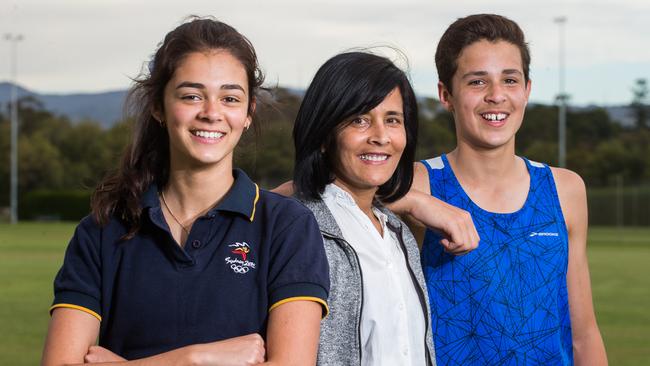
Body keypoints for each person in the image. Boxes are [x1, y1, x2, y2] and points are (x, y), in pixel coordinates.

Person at [41, 17, 329, 366]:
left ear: (249, 112)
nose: (211, 113)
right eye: (192, 96)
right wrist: (196, 357)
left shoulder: (286, 226)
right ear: (158, 107)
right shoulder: (101, 230)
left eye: (230, 98)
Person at [411, 14, 607, 365]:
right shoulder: (420, 184)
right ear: (446, 94)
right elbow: (319, 190)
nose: (496, 96)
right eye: (477, 82)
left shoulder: (565, 189)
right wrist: (410, 199)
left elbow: (584, 334)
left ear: (527, 90)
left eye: (510, 80)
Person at [292, 51, 436, 366]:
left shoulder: (399, 234)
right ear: (324, 136)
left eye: (393, 120)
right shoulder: (299, 229)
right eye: (359, 120)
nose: (381, 137)